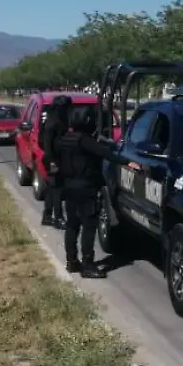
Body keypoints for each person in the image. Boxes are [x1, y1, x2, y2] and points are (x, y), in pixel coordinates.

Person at [52, 104, 124, 278]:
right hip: (86, 189)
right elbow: (107, 154)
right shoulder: (86, 141)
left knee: (72, 226)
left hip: (69, 188)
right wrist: (128, 162)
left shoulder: (63, 140)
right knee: (89, 227)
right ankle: (88, 265)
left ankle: (72, 261)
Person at [38, 95, 70, 228]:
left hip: (54, 158)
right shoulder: (53, 122)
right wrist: (52, 162)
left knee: (52, 190)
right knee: (57, 189)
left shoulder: (54, 119)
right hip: (53, 159)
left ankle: (47, 216)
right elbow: (45, 143)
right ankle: (58, 218)